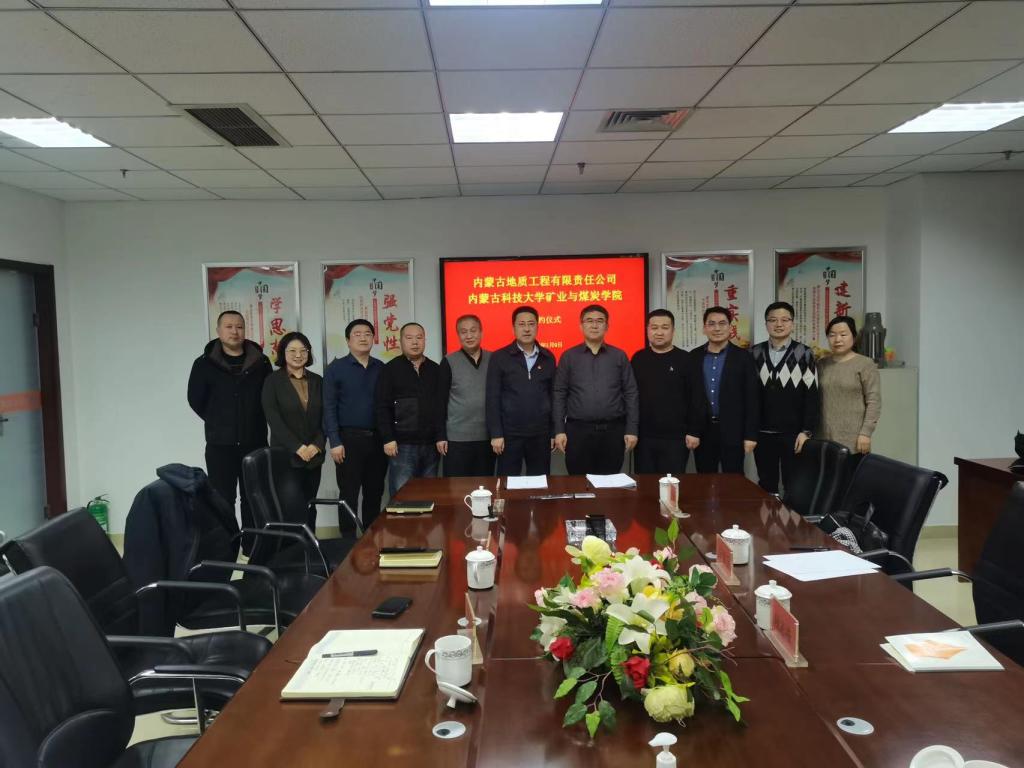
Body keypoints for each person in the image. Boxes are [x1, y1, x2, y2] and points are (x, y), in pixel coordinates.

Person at [187, 310, 271, 554]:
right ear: (218, 331)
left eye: (239, 327)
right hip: (219, 444)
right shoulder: (204, 364)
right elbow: (195, 399)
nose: (235, 331)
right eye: (229, 326)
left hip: (254, 441)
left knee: (253, 497)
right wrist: (218, 420)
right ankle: (226, 547)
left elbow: (269, 398)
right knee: (222, 498)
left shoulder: (261, 363)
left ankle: (251, 547)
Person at [553, 304, 639, 475]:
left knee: (609, 483)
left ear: (607, 326)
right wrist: (559, 431)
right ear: (581, 326)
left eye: (600, 321)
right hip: (577, 432)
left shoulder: (619, 356)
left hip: (613, 432)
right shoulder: (569, 357)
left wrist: (632, 429)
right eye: (589, 321)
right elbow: (559, 394)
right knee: (578, 482)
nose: (594, 325)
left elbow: (631, 393)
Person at [323, 319, 388, 531]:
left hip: (377, 440)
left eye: (367, 334)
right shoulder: (335, 369)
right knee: (348, 495)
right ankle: (347, 544)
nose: (363, 338)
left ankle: (371, 539)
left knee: (375, 493)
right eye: (357, 334)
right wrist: (335, 441)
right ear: (348, 341)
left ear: (373, 339)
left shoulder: (381, 368)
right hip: (348, 440)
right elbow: (329, 407)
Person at [750, 301, 820, 494]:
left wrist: (806, 431)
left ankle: (791, 515)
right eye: (773, 320)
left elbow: (812, 395)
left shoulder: (804, 353)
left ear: (792, 323)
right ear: (766, 324)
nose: (778, 324)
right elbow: (749, 395)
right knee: (766, 484)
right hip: (762, 433)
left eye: (784, 320)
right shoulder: (754, 353)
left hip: (794, 434)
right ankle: (767, 514)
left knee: (794, 483)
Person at [630, 309, 705, 474]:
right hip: (643, 437)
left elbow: (697, 397)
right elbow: (630, 396)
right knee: (645, 483)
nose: (659, 332)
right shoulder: (638, 358)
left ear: (673, 331)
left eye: (665, 327)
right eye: (654, 327)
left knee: (672, 484)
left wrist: (694, 431)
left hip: (676, 438)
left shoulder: (686, 359)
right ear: (647, 330)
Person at [261, 331, 325, 523]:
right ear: (283, 352)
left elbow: (326, 417)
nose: (298, 355)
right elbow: (273, 419)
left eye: (303, 350)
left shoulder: (317, 380)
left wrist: (317, 445)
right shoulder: (272, 381)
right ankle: (293, 543)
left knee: (310, 505)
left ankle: (311, 542)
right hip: (286, 457)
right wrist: (297, 447)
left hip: (313, 457)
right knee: (290, 508)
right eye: (292, 350)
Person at [486, 306, 557, 476]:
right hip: (509, 434)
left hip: (540, 434)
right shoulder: (499, 357)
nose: (527, 329)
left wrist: (553, 432)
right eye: (522, 324)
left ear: (537, 327)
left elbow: (554, 397)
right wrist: (496, 434)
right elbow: (492, 397)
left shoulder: (548, 357)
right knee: (508, 483)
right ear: (514, 328)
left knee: (540, 482)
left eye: (531, 324)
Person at [375, 322, 441, 496]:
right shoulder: (390, 369)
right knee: (402, 496)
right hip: (402, 445)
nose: (415, 342)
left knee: (429, 494)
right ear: (401, 341)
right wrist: (388, 438)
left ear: (425, 340)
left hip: (431, 445)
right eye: (409, 338)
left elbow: (441, 406)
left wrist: (440, 436)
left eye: (419, 337)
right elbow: (382, 406)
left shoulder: (435, 369)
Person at [694, 306, 759, 474]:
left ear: (730, 328)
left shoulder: (744, 357)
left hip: (734, 430)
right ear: (704, 328)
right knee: (704, 479)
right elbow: (690, 397)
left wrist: (750, 435)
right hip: (703, 431)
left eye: (722, 323)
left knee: (734, 479)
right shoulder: (694, 357)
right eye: (711, 324)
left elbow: (752, 398)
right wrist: (691, 431)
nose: (717, 328)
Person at [437, 314, 493, 477]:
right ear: (458, 335)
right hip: (456, 439)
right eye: (463, 332)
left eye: (473, 330)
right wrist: (441, 436)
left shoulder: (494, 359)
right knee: (456, 487)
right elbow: (440, 402)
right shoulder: (449, 361)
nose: (469, 336)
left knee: (484, 486)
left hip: (487, 438)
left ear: (481, 332)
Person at [817, 316, 881, 456]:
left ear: (854, 336)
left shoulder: (865, 364)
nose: (837, 339)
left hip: (854, 440)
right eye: (832, 335)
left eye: (843, 334)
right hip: (823, 437)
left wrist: (866, 433)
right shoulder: (821, 364)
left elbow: (874, 402)